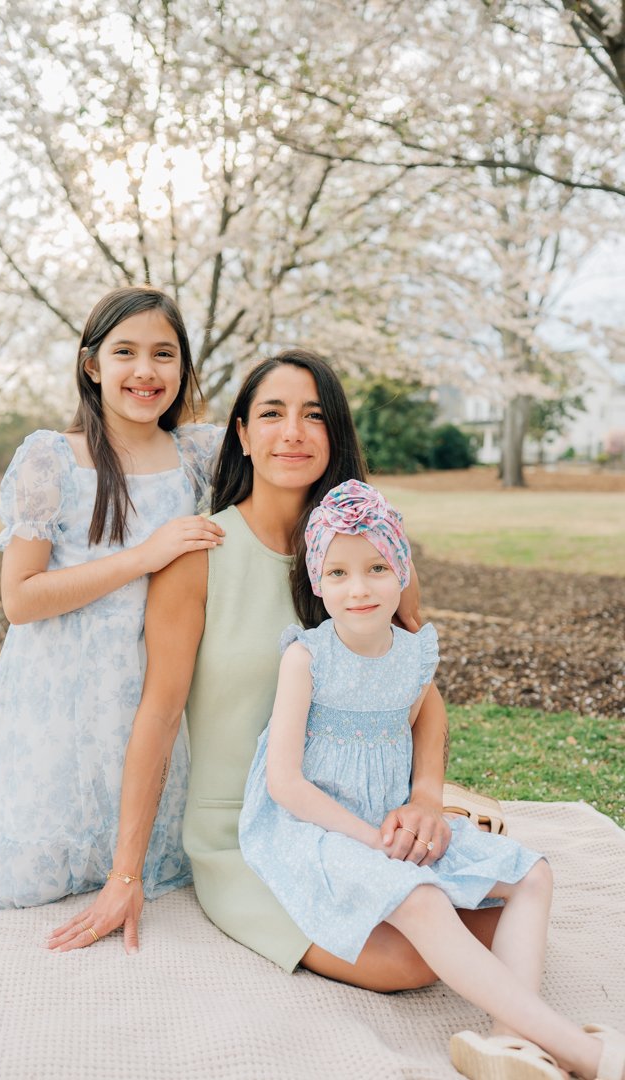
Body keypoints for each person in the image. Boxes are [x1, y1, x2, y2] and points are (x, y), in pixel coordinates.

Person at [50, 349, 503, 997]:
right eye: (272, 413)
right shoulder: (199, 552)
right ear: (241, 433)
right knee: (403, 961)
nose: (292, 431)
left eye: (314, 415)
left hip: (360, 816)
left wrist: (426, 795)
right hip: (247, 830)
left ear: (336, 434)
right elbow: (159, 711)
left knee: (503, 901)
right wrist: (125, 875)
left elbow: (420, 694)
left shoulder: (373, 549)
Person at [237, 478, 625, 1080]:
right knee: (420, 897)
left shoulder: (413, 656)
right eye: (337, 573)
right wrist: (374, 843)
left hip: (389, 819)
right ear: (317, 582)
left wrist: (423, 802)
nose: (359, 588)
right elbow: (285, 785)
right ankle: (580, 1050)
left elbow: (415, 733)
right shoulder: (306, 659)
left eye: (375, 567)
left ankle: (508, 1041)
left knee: (532, 873)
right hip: (313, 827)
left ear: (401, 569)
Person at [0, 286, 224, 909]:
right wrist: (142, 556)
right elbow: (20, 600)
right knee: (13, 881)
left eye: (164, 354)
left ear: (183, 368)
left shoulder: (197, 456)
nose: (145, 370)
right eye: (125, 351)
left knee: (152, 864)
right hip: (58, 695)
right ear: (92, 364)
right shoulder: (52, 458)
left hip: (149, 696)